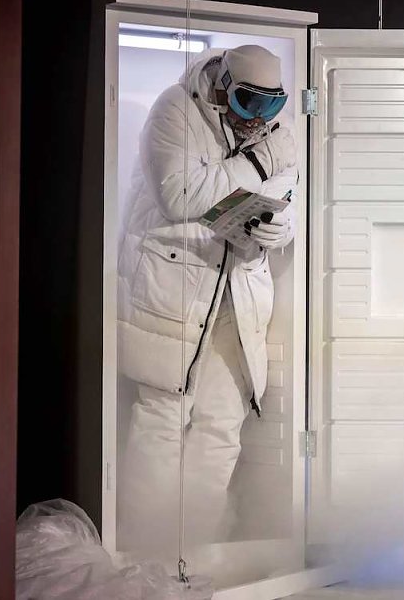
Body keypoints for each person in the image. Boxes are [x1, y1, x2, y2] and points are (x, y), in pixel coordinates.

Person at [116, 44, 300, 551]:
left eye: (271, 105)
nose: (257, 118)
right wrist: (261, 161)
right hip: (173, 290)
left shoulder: (277, 130)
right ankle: (148, 547)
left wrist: (280, 227)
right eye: (248, 103)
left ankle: (194, 544)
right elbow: (180, 196)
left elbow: (286, 199)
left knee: (222, 425)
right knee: (163, 418)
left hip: (236, 295)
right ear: (223, 85)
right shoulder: (174, 109)